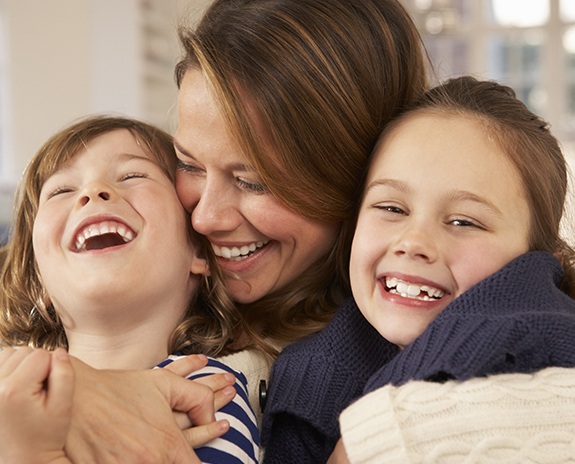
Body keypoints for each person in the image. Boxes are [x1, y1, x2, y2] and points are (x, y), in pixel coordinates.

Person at [60, 1, 432, 462]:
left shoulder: (365, 382)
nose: (204, 218)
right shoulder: (127, 274)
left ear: (358, 181)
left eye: (253, 181)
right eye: (189, 164)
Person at [263, 76, 575, 463]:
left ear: (538, 266)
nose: (413, 242)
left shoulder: (553, 354)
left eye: (463, 222)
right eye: (391, 209)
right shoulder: (305, 377)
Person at [0, 115, 260, 463]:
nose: (94, 192)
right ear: (37, 281)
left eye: (132, 176)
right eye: (62, 190)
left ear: (199, 251)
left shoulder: (204, 387)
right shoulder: (13, 383)